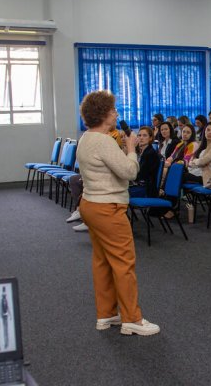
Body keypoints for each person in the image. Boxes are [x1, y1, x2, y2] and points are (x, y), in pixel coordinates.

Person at [76, 90, 158, 336]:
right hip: (107, 208)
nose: (116, 114)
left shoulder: (86, 138)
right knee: (123, 263)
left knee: (102, 262)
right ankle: (132, 318)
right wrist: (131, 148)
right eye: (112, 110)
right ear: (103, 114)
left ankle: (107, 314)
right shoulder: (103, 141)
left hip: (90, 204)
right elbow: (130, 172)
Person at [128, 126, 161, 198]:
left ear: (151, 138)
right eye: (139, 135)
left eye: (144, 135)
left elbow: (142, 175)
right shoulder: (144, 152)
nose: (141, 138)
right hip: (142, 185)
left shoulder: (150, 153)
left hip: (147, 189)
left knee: (120, 192)